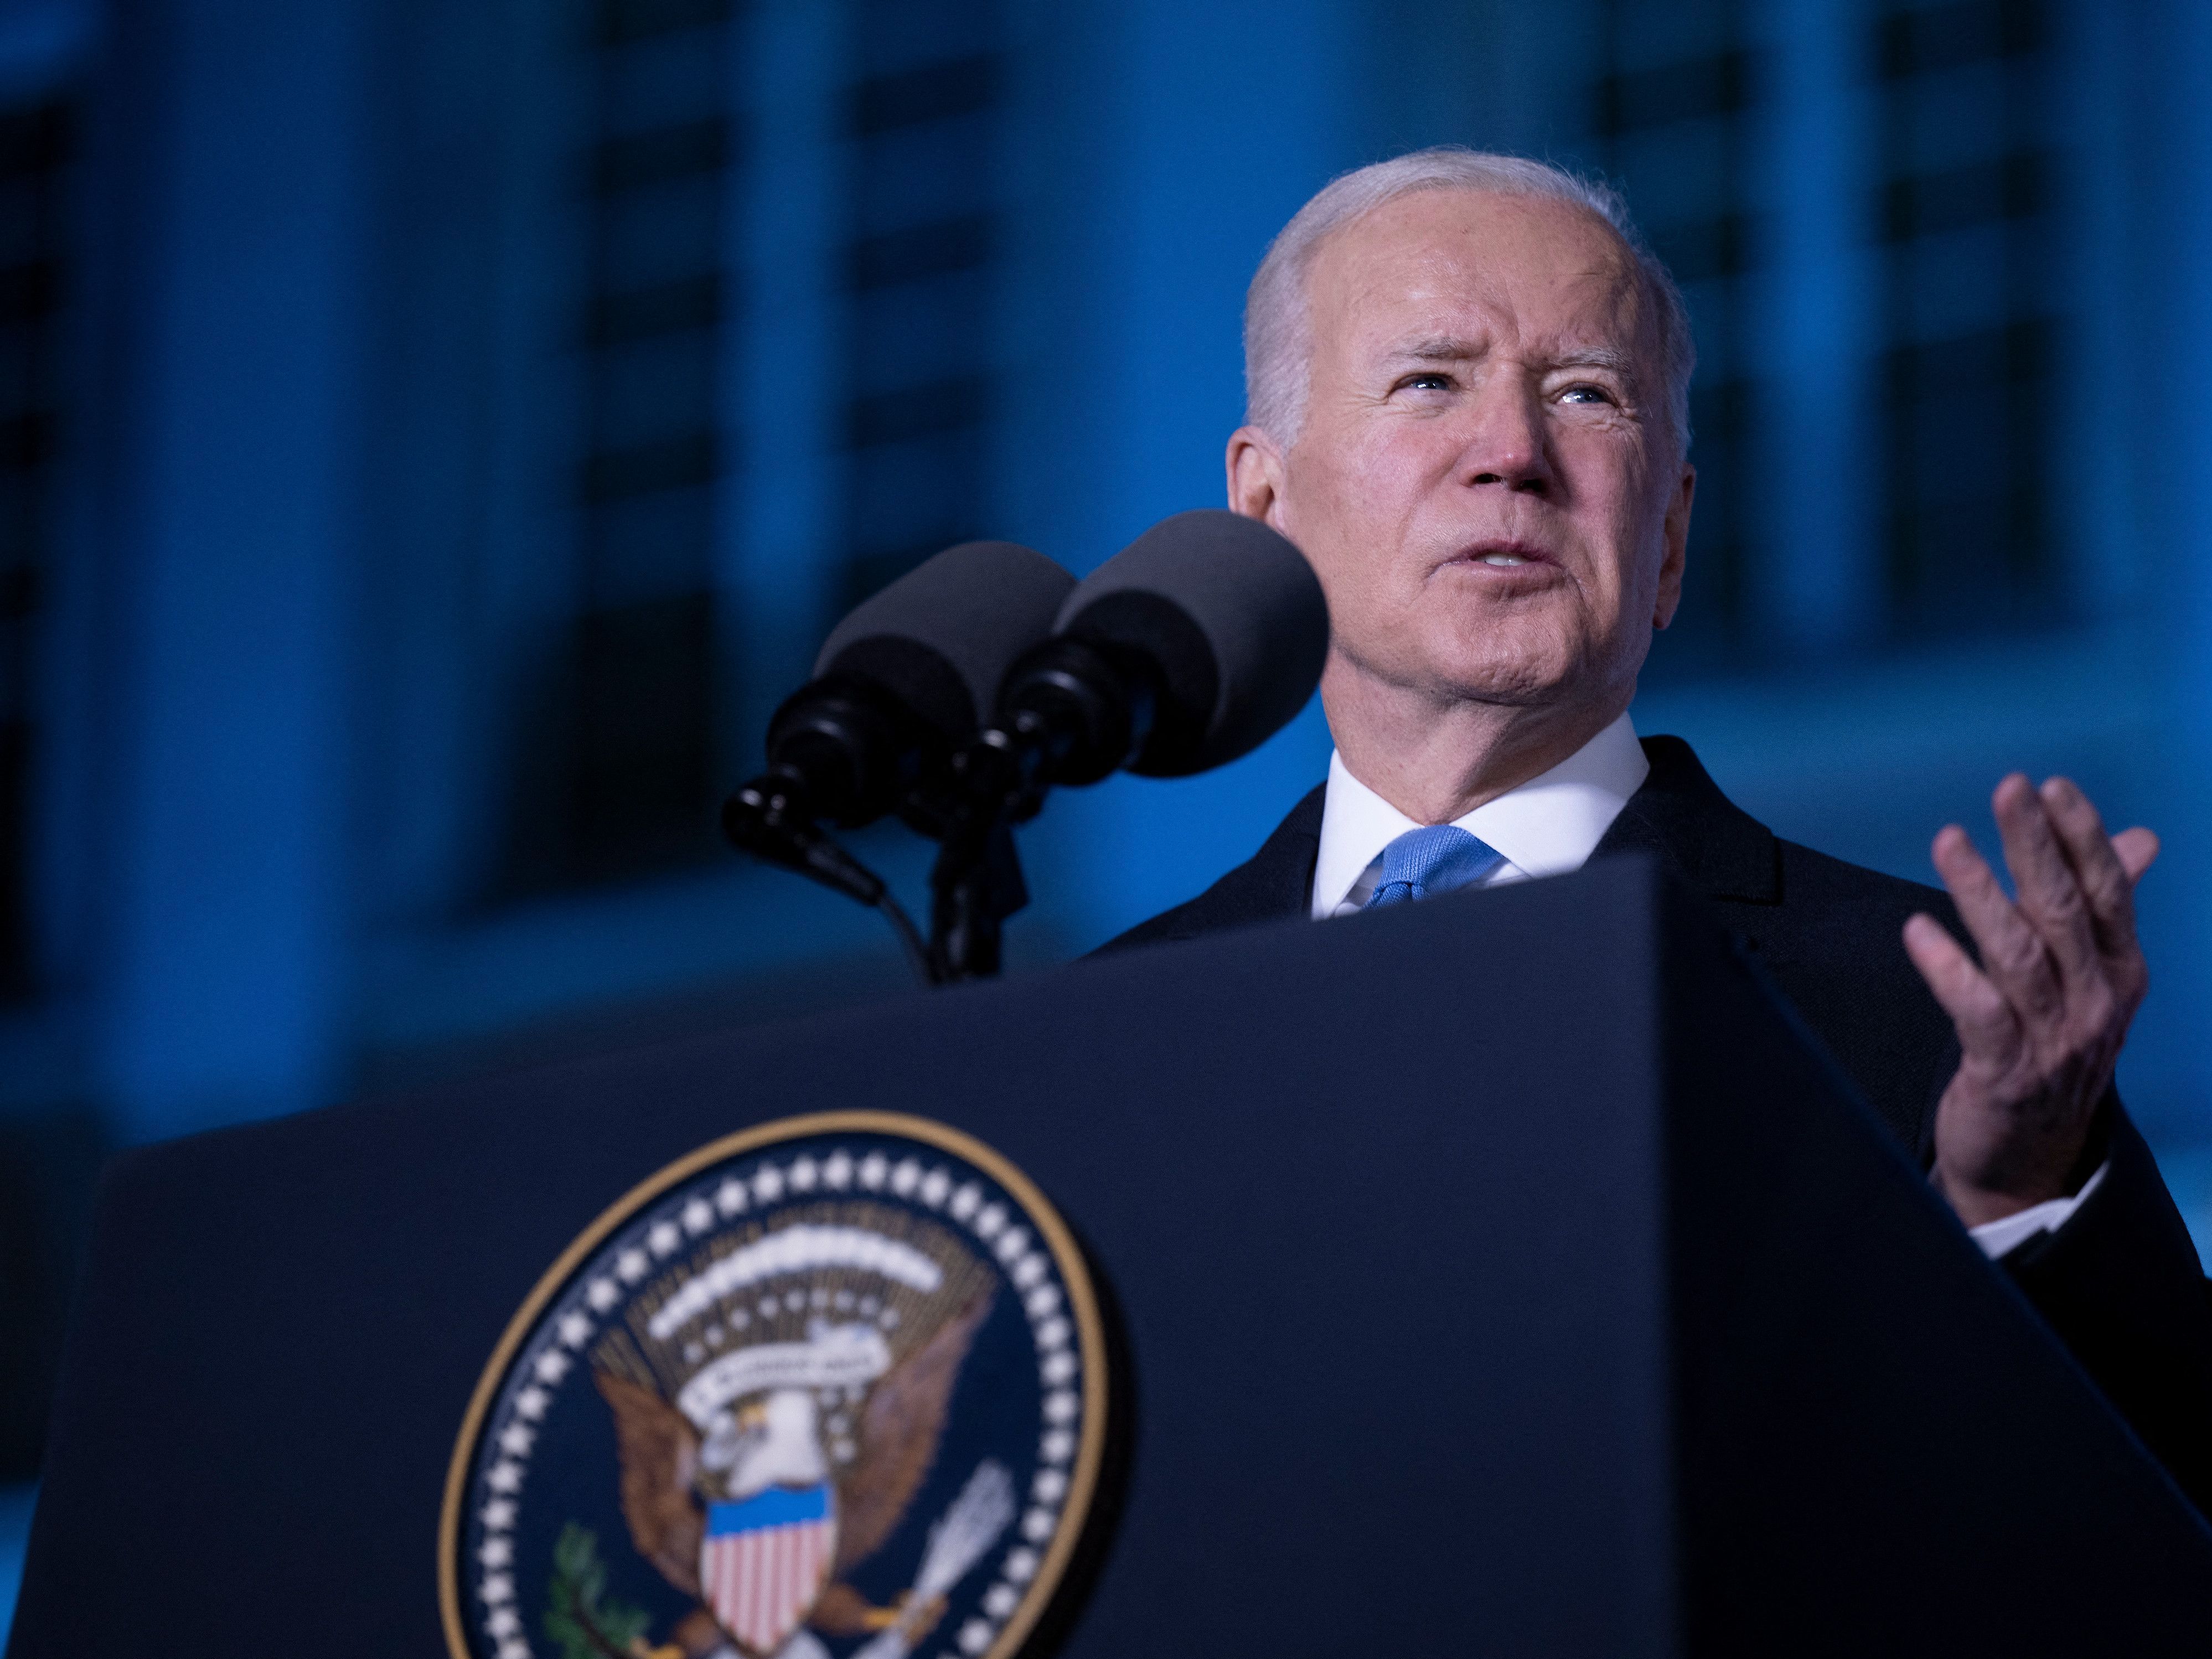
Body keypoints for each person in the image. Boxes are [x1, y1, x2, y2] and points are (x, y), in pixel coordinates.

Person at [1103, 148, 2212, 1512]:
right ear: (1265, 508)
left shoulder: (1921, 1011)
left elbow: (2162, 1519)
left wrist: (2017, 1196)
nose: (1512, 453)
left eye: (1587, 395)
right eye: (1430, 381)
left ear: (1671, 539)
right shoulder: (1121, 1028)